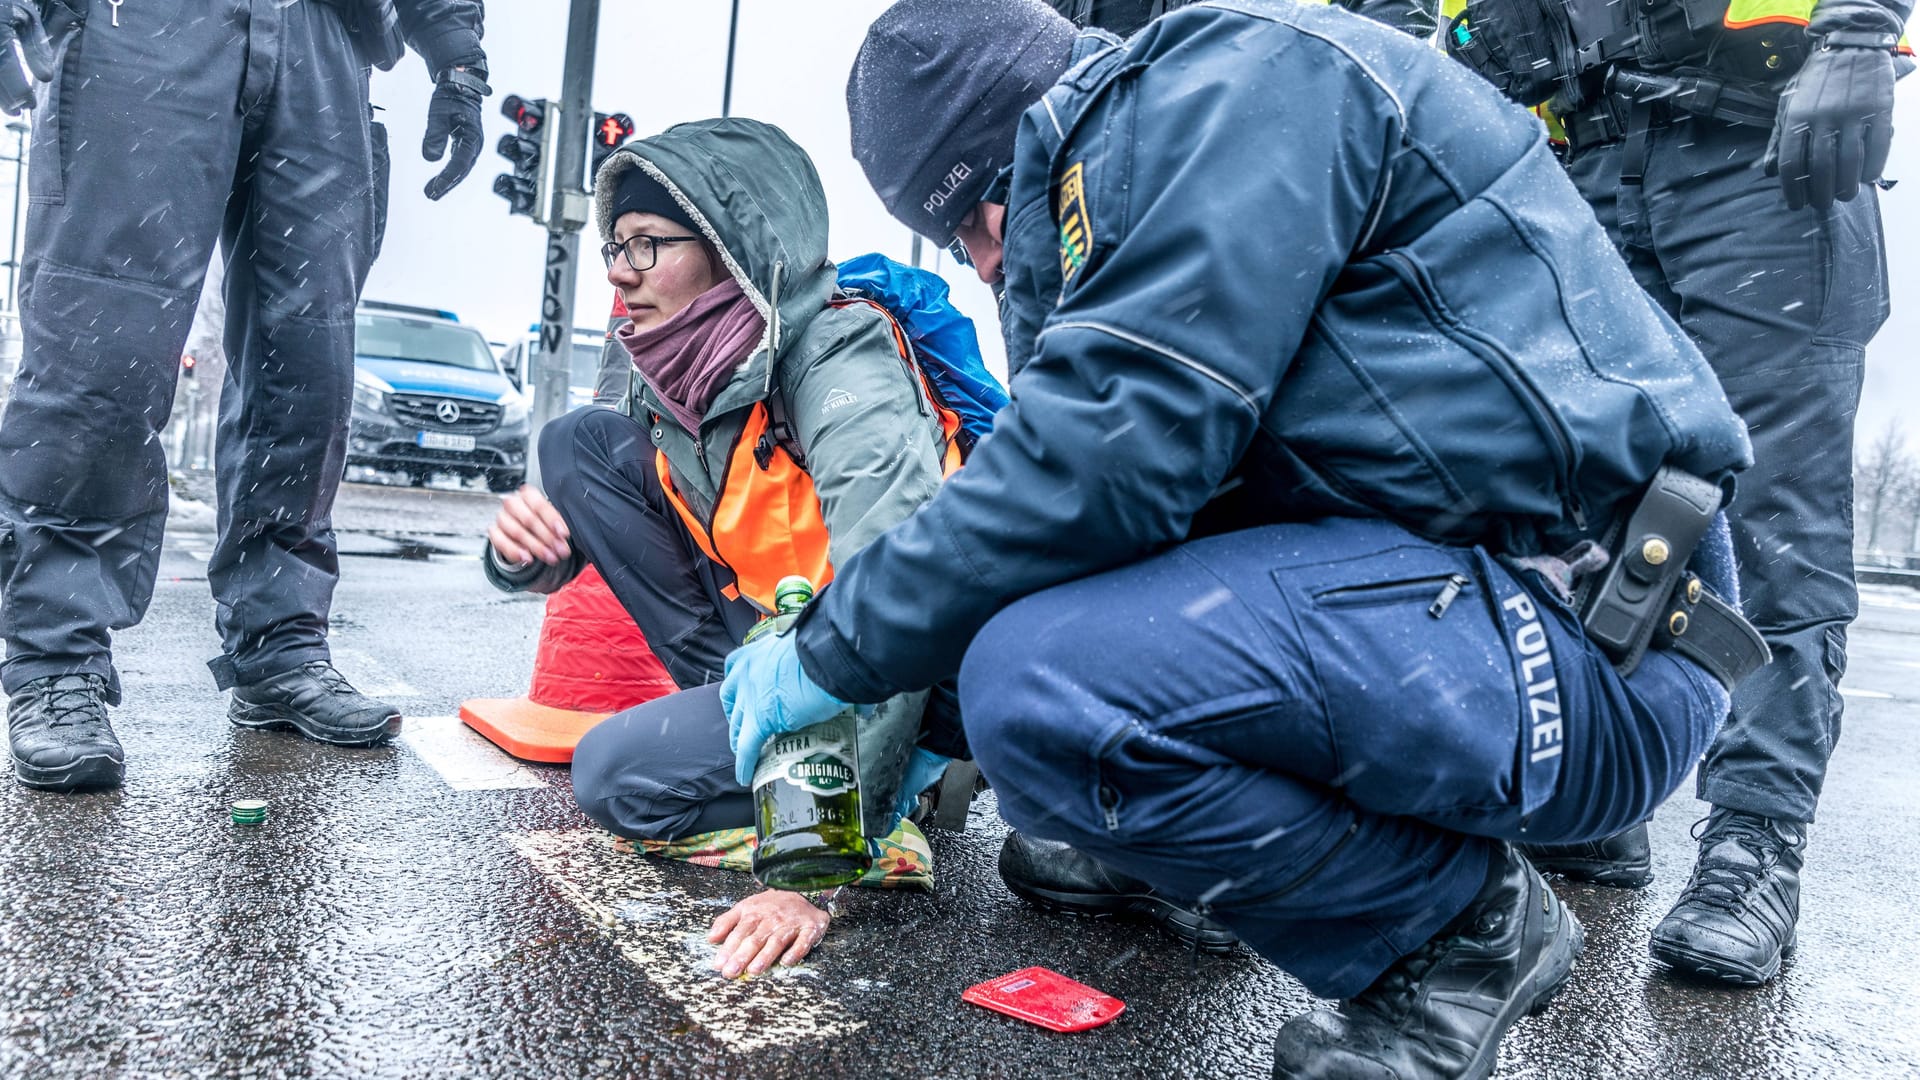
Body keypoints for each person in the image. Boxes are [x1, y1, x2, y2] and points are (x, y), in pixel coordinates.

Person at [721, 0, 1771, 1074]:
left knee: (1046, 689)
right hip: (1500, 627)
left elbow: (1099, 469)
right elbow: (1083, 512)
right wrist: (907, 721)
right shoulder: (1169, 160)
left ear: (1024, 151)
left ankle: (1460, 934)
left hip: (1604, 640)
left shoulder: (1234, 87)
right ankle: (1278, 874)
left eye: (974, 222)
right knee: (1032, 694)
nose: (986, 265)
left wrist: (831, 655)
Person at [1382, 0, 1910, 987]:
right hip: (1577, 148)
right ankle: (1602, 804)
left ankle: (1753, 850)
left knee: (1770, 523)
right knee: (1581, 503)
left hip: (1761, 138)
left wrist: (1861, 24)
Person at [483, 117, 968, 977]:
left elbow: (906, 595)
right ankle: (751, 738)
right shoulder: (665, 364)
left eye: (646, 245)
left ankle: (892, 814)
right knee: (577, 443)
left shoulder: (837, 355)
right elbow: (611, 540)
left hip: (890, 672)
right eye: (614, 246)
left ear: (731, 248)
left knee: (615, 779)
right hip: (770, 642)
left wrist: (813, 865)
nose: (619, 272)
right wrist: (527, 556)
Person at [0, 0, 488, 792]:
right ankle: (57, 661)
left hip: (322, 40)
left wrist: (457, 56)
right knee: (101, 353)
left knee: (308, 369)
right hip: (139, 27)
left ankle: (281, 644)